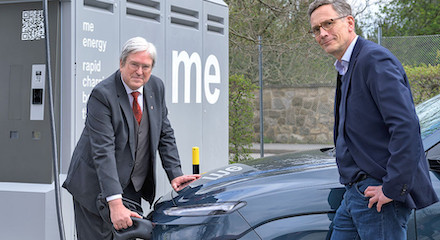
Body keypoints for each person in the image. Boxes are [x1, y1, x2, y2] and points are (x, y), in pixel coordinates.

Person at [307, 0, 438, 239]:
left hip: (378, 196)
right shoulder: (346, 65)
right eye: (316, 29)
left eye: (328, 23)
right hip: (355, 194)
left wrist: (392, 187)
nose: (322, 33)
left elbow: (406, 126)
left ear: (349, 22)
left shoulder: (374, 60)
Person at [63, 36, 201, 239]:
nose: (139, 71)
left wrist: (175, 173)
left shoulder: (156, 87)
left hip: (130, 186)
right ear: (121, 63)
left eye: (145, 66)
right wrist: (115, 204)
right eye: (134, 65)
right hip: (94, 187)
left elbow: (165, 134)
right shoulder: (102, 95)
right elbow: (103, 151)